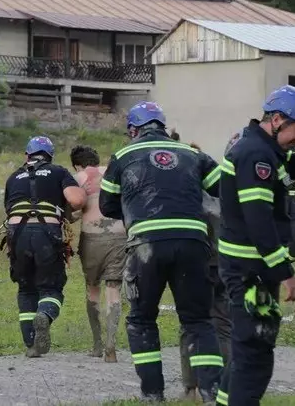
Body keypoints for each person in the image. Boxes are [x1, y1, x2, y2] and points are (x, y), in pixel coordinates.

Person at [99, 101, 224, 403]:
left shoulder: (123, 155)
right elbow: (222, 189)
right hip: (193, 243)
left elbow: (106, 205)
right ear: (163, 126)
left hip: (146, 245)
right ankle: (212, 394)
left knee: (142, 320)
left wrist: (133, 211)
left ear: (133, 129)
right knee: (198, 321)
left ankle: (152, 394)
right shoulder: (193, 154)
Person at [216, 85, 295, 406]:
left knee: (245, 352)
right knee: (255, 355)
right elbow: (259, 221)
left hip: (251, 270)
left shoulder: (264, 149)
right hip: (250, 271)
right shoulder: (255, 155)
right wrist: (286, 273)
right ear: (277, 119)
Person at [2, 136, 87, 358]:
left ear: (27, 155)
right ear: (50, 155)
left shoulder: (13, 177)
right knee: (51, 288)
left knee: (25, 287)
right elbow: (77, 201)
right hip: (46, 235)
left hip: (17, 235)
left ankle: (31, 345)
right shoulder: (58, 172)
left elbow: (9, 210)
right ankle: (45, 315)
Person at [169, 130, 233, 400]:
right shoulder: (221, 191)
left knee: (192, 323)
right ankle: (227, 386)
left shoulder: (184, 195)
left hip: (197, 262)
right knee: (223, 325)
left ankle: (191, 387)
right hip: (226, 263)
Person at [70, 144, 126, 363]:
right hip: (119, 237)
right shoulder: (112, 172)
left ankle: (97, 344)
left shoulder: (78, 177)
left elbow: (73, 208)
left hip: (92, 238)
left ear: (76, 163)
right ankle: (111, 346)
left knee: (93, 290)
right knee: (114, 291)